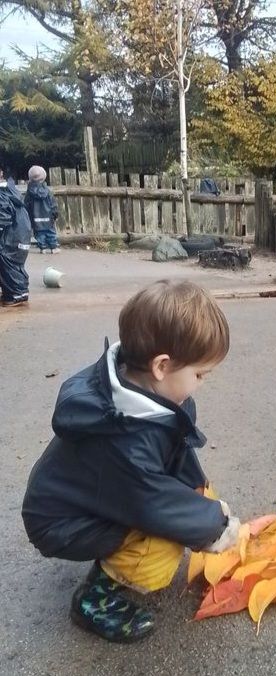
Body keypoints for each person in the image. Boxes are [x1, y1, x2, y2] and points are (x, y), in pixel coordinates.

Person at [22, 280, 241, 642]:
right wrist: (212, 527)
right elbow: (151, 502)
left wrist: (198, 493)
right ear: (162, 365)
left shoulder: (148, 393)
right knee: (162, 545)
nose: (202, 383)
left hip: (93, 496)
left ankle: (120, 551)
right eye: (199, 375)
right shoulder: (124, 438)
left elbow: (174, 454)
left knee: (195, 504)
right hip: (61, 522)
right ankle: (95, 598)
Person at [0, 172, 31, 307]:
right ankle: (18, 292)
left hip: (12, 236)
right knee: (13, 264)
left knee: (7, 262)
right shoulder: (10, 190)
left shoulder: (2, 195)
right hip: (21, 233)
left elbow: (2, 217)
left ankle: (16, 294)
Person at [23, 165, 60, 253]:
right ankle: (53, 248)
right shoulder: (48, 191)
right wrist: (55, 214)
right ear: (43, 177)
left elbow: (26, 205)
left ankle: (43, 248)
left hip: (35, 218)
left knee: (39, 233)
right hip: (48, 217)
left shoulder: (29, 192)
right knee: (50, 232)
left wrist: (28, 216)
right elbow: (53, 205)